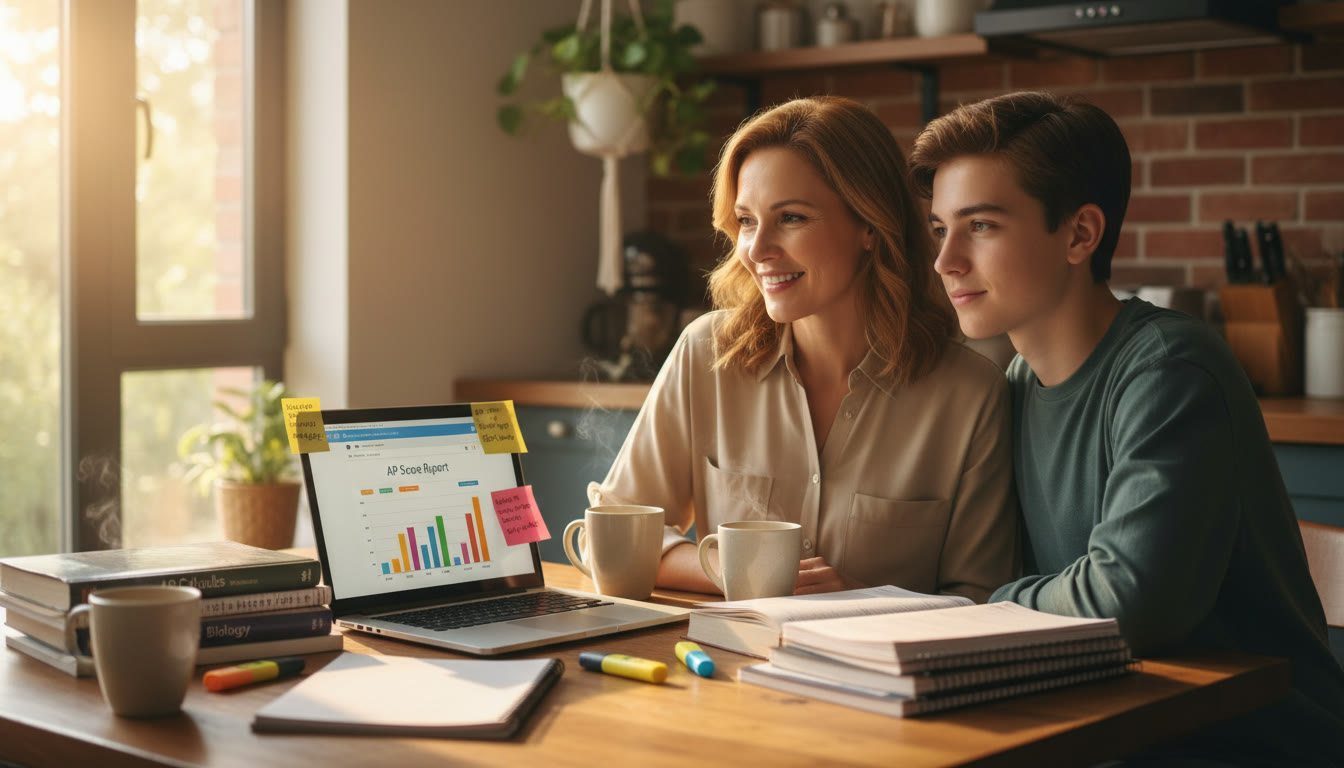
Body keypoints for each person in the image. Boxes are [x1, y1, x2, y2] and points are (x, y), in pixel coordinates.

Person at [910, 90, 1344, 765]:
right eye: (941, 228)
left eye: (982, 226)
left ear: (1081, 234)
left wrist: (984, 605)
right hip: (1106, 727)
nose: (946, 261)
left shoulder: (1169, 369)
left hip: (1246, 741)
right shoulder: (1018, 384)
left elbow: (1126, 602)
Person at [588, 96, 1018, 602]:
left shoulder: (971, 393)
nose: (757, 248)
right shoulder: (706, 353)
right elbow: (611, 544)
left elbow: (983, 600)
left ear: (869, 226)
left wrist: (859, 599)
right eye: (747, 220)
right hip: (729, 671)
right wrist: (740, 572)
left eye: (791, 217)